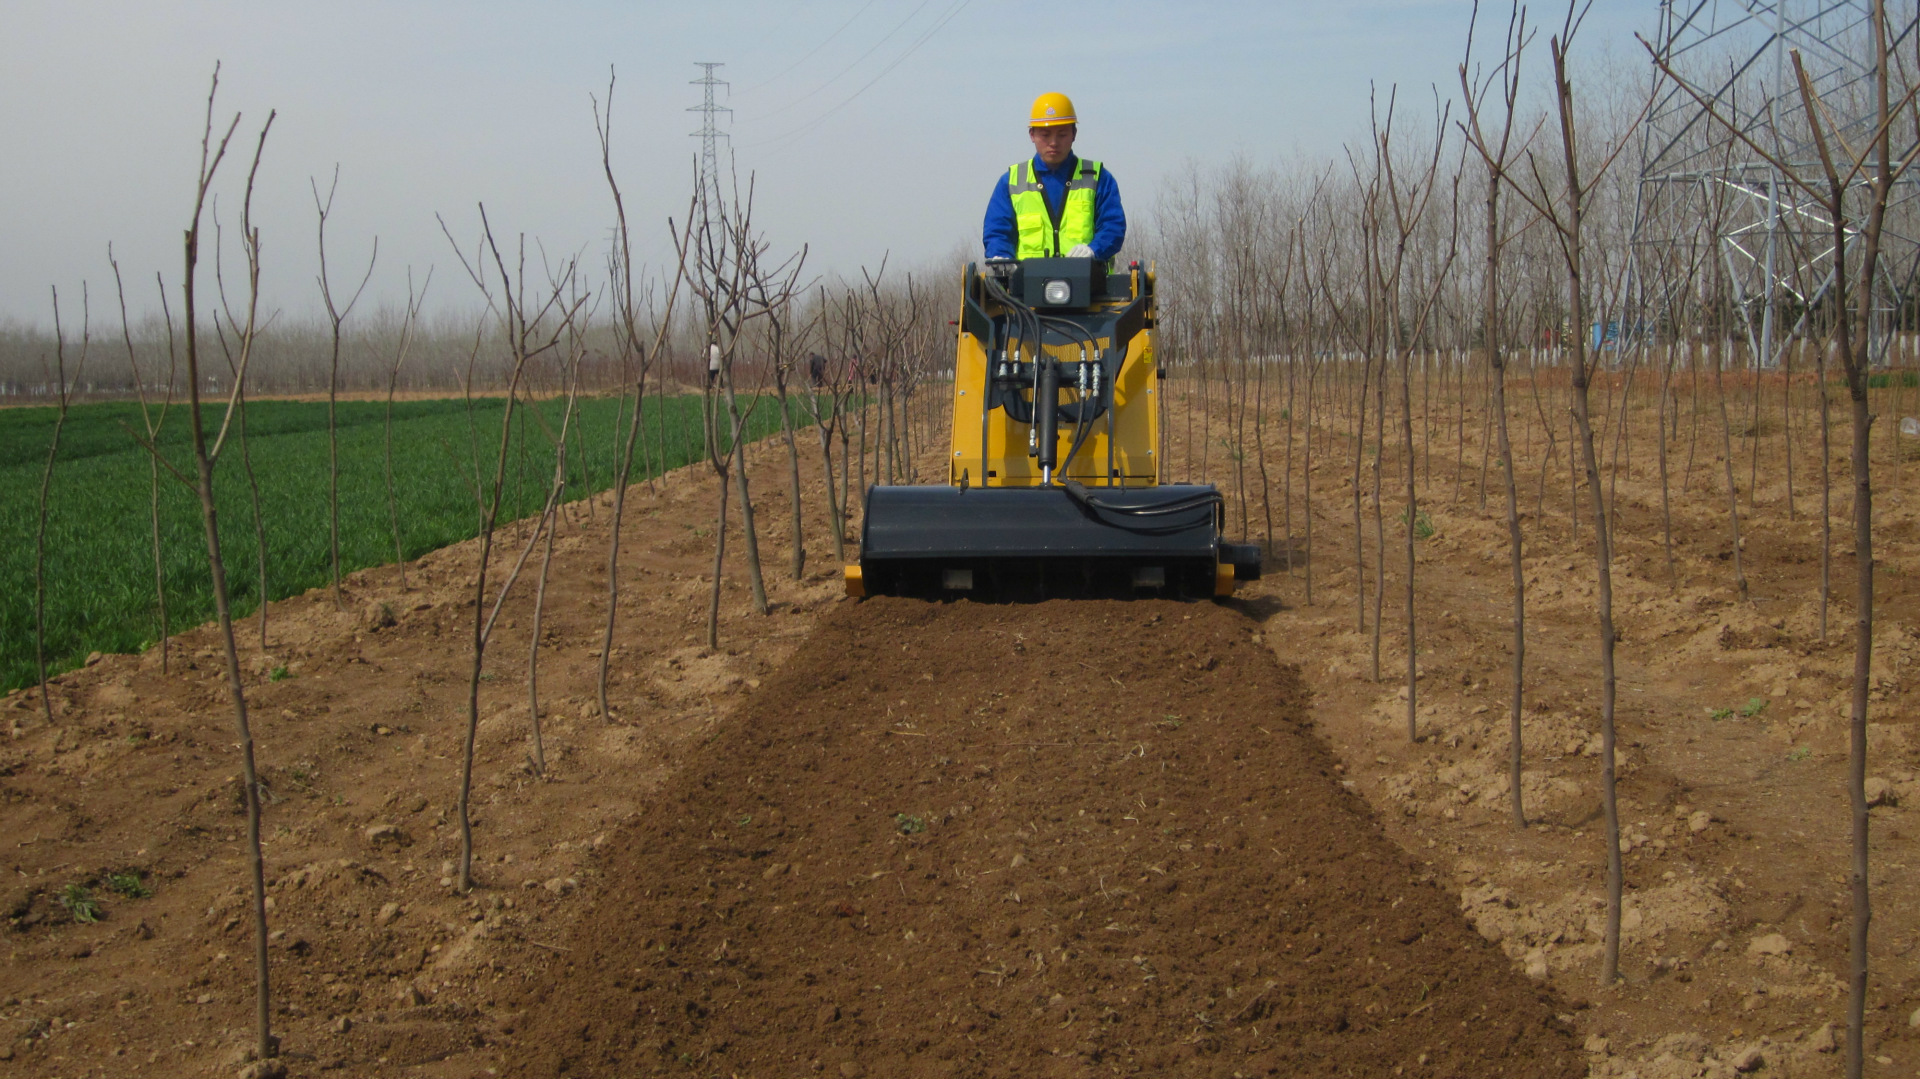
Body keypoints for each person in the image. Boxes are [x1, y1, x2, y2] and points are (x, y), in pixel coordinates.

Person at [981, 92, 1126, 263]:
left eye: (1062, 134)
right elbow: (997, 231)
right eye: (1045, 134)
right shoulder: (1012, 181)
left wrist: (1094, 250)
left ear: (1074, 134)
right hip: (1027, 286)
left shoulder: (1098, 178)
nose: (1054, 142)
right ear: (1032, 135)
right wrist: (1001, 258)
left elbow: (1113, 225)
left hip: (1090, 283)